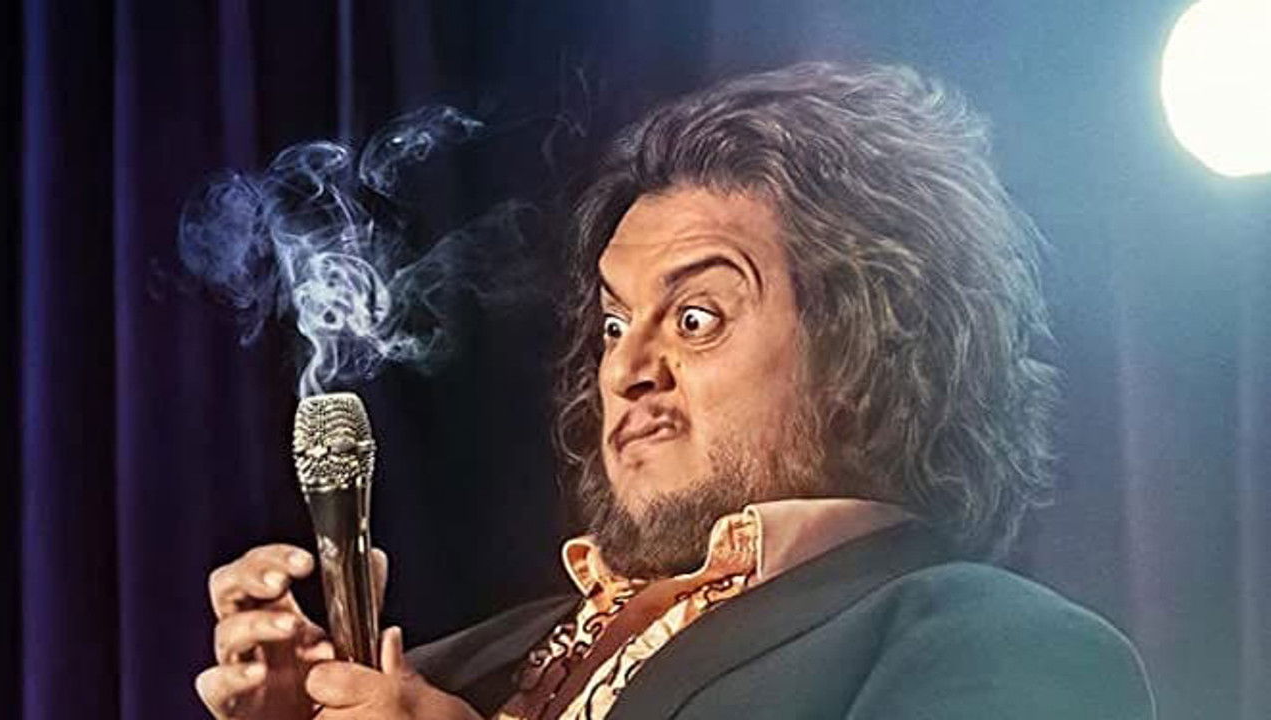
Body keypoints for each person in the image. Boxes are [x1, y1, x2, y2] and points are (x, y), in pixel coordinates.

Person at [196, 62, 1156, 719]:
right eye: (616, 324)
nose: (625, 368)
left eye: (696, 317)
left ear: (867, 349)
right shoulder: (459, 667)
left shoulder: (993, 642)